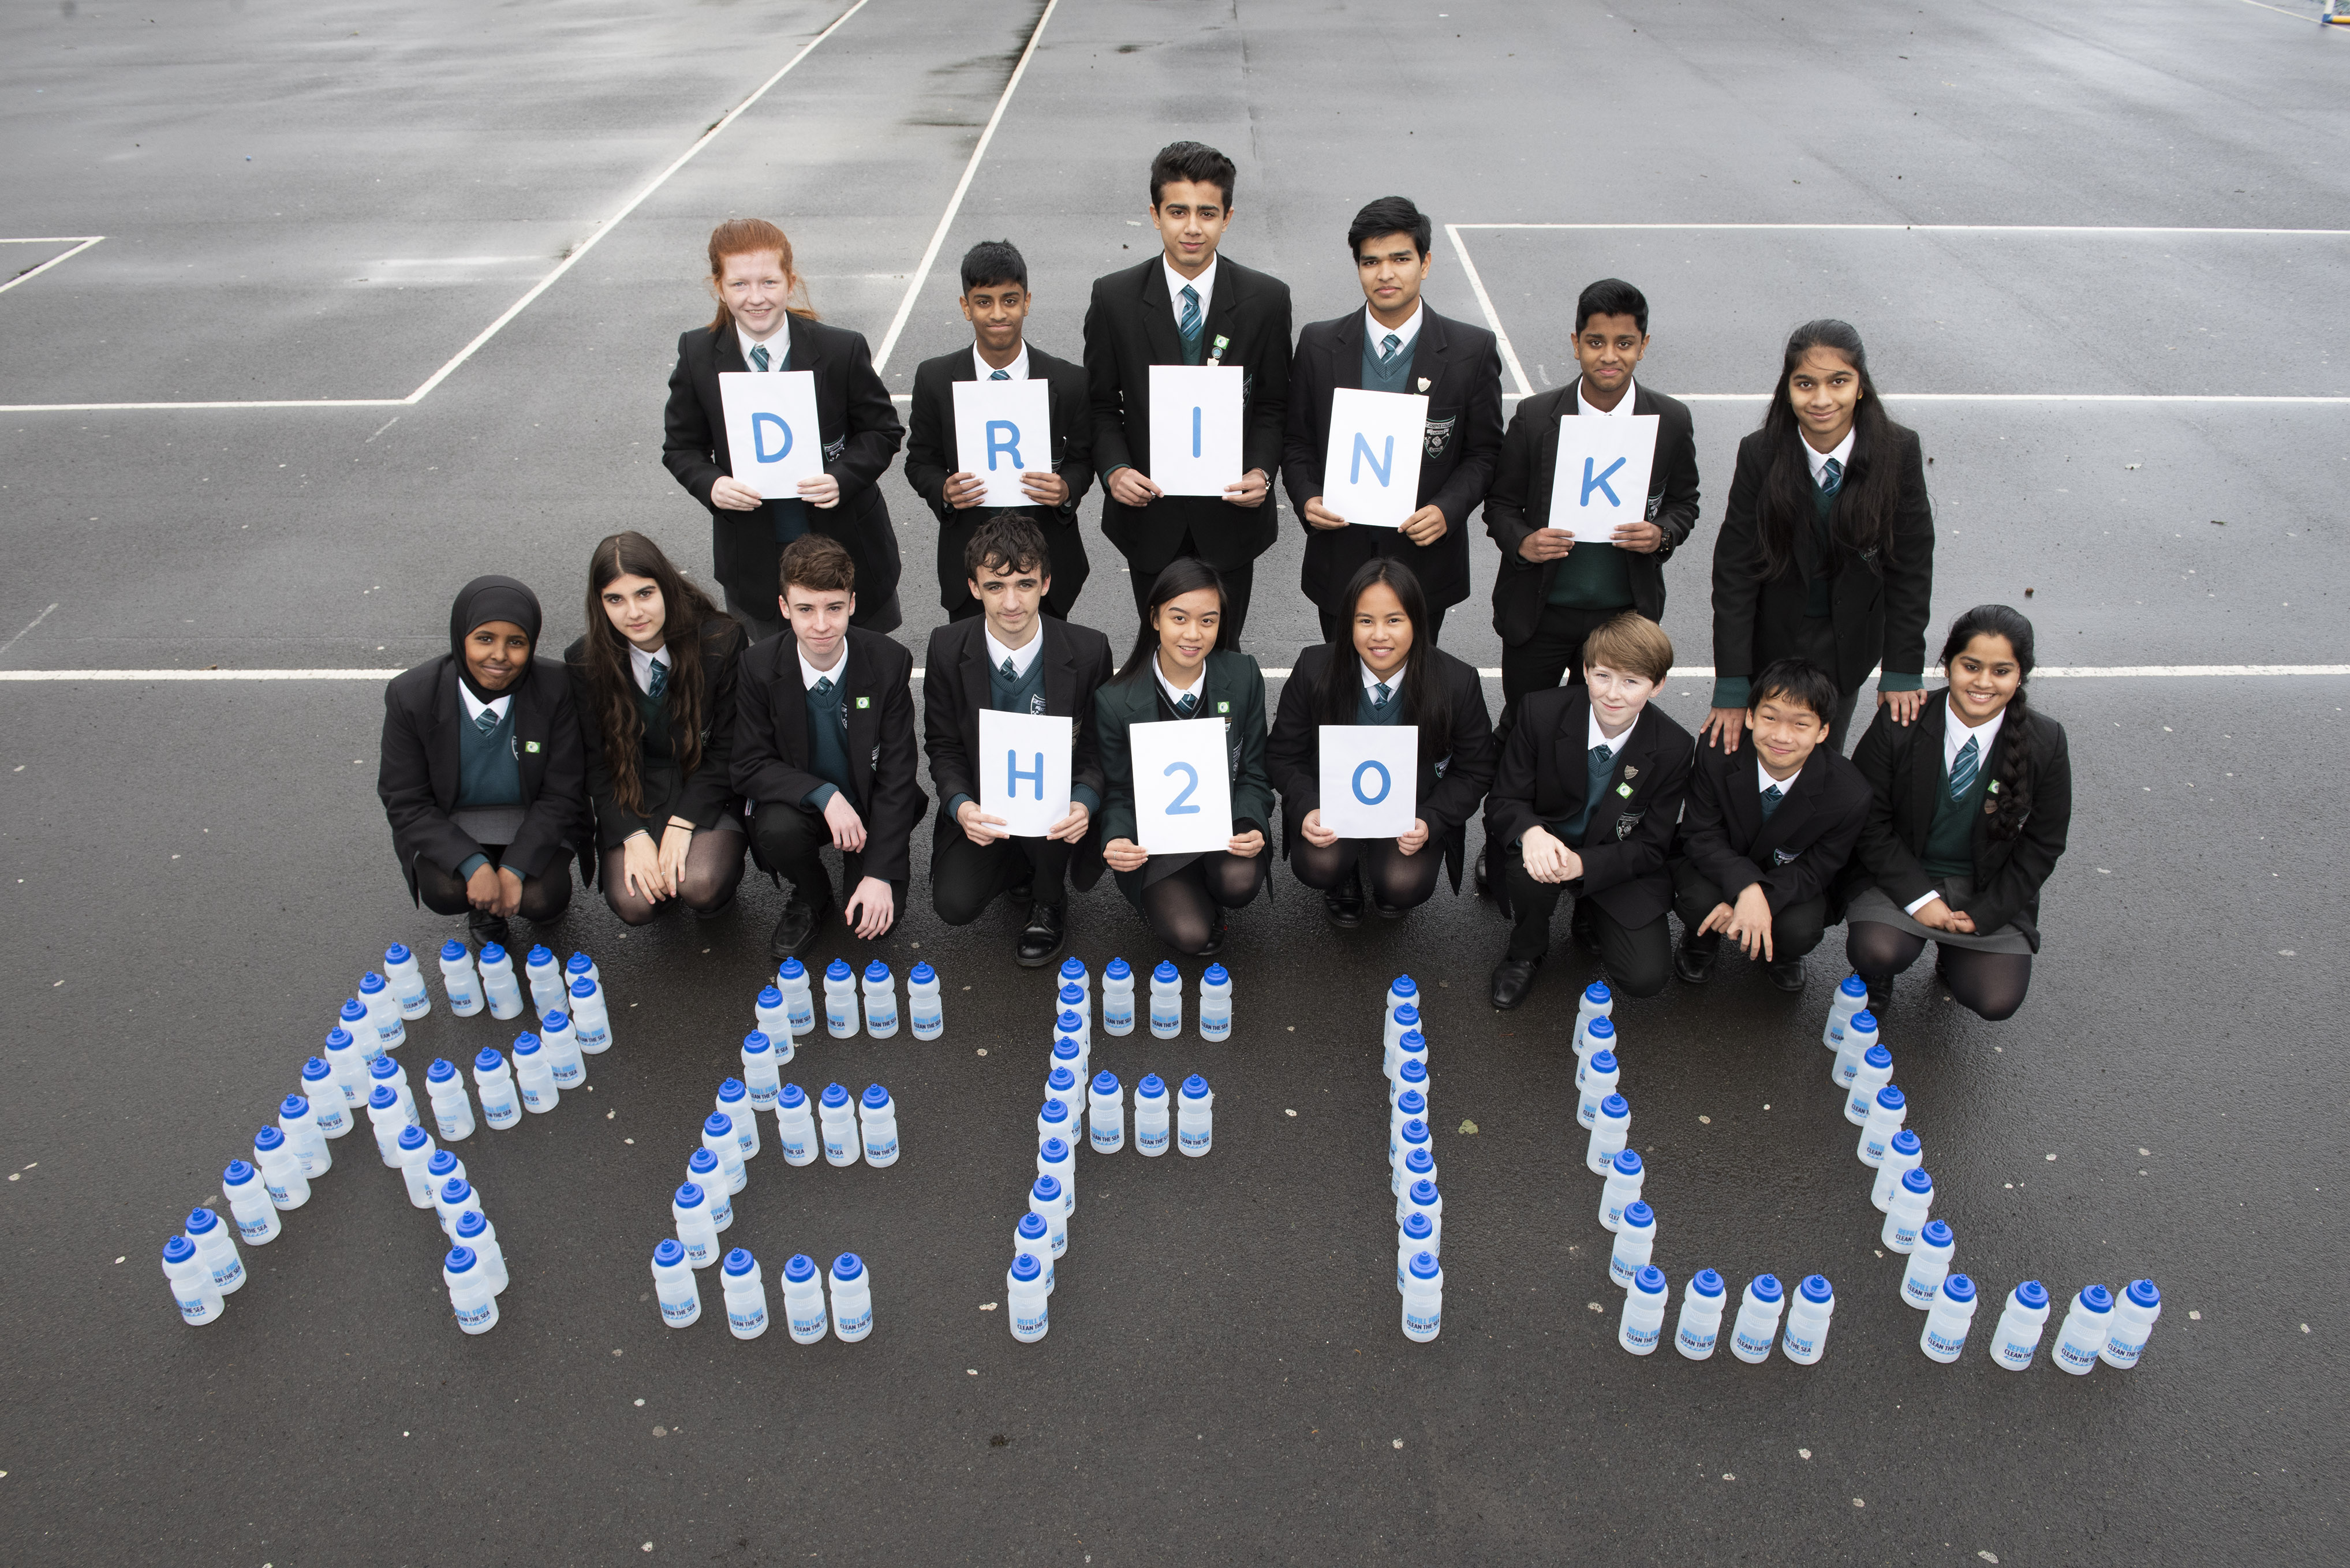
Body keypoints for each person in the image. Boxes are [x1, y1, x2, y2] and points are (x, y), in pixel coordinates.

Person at [1083, 141, 1292, 643]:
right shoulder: (1113, 298)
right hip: (1149, 519)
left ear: (1227, 217)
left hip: (1230, 520)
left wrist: (1262, 470)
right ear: (1154, 216)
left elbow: (1272, 404)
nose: (1192, 227)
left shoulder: (1266, 299)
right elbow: (1098, 404)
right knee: (1159, 651)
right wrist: (1114, 471)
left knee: (1222, 651)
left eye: (1207, 213)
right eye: (1177, 212)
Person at [663, 218, 907, 643]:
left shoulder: (839, 348)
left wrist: (841, 477)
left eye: (768, 282)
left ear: (790, 282)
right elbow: (681, 446)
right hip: (757, 560)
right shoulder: (697, 354)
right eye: (739, 284)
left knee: (868, 677)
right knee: (773, 681)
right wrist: (712, 484)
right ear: (718, 286)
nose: (755, 298)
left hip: (847, 545)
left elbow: (882, 430)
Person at [1705, 317, 1935, 757]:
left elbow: (1910, 564)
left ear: (1861, 386)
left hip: (1848, 647)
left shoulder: (1896, 450)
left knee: (1823, 759)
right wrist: (1732, 682)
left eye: (1838, 382)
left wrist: (1903, 667)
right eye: (1805, 384)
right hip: (1770, 642)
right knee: (1760, 754)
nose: (1822, 399)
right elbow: (1734, 571)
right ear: (1787, 388)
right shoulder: (1760, 453)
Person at [1484, 278, 1701, 742]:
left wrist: (1661, 533)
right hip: (1540, 614)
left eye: (1624, 343)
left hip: (1621, 616)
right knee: (1524, 727)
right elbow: (1500, 504)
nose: (1609, 356)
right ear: (1574, 343)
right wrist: (1523, 540)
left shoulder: (1670, 420)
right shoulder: (1535, 417)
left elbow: (1685, 502)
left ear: (1643, 346)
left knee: (1602, 732)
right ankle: (1515, 813)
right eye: (1595, 342)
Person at [1281, 196, 1504, 644]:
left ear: (1424, 263)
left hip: (1423, 563)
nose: (1385, 274)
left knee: (1417, 691)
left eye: (1400, 258)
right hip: (1340, 558)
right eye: (1371, 261)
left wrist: (1447, 510)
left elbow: (1483, 453)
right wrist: (1307, 498)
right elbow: (1296, 441)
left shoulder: (1470, 350)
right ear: (1358, 267)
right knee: (1341, 685)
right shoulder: (1318, 343)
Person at [1841, 605, 2071, 1021]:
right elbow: (1866, 820)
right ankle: (1878, 973)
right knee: (1877, 949)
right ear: (1947, 665)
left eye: (2001, 671)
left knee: (1996, 999)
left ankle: (1954, 952)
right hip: (1900, 876)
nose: (1983, 683)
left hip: (1986, 887)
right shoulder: (1900, 721)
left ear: (2021, 675)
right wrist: (1919, 898)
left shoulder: (2046, 740)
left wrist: (1987, 913)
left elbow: (2044, 842)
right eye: (1970, 666)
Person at [922, 515, 1115, 965]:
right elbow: (943, 744)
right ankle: (1016, 867)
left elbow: (1097, 748)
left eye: (1024, 584)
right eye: (995, 586)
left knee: (1055, 803)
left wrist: (1084, 801)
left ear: (1046, 583)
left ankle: (1048, 900)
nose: (1011, 602)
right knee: (953, 904)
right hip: (985, 805)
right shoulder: (946, 648)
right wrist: (961, 806)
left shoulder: (1088, 651)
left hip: (1055, 808)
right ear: (973, 587)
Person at [1266, 559, 1498, 926]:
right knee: (1319, 864)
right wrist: (1308, 806)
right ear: (1348, 623)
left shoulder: (1457, 681)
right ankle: (1344, 873)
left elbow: (1476, 768)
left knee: (1402, 883)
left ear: (1417, 622)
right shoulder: (1314, 667)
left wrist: (1432, 819)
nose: (1379, 635)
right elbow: (1283, 752)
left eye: (1394, 620)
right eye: (1365, 621)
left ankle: (1385, 872)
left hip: (1412, 810)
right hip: (1334, 804)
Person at [1482, 612, 1691, 1011]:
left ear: (1658, 684)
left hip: (1612, 859)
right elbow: (1503, 800)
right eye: (1603, 675)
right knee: (1529, 871)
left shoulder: (1673, 747)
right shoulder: (1539, 712)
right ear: (1585, 670)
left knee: (1645, 976)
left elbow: (1650, 846)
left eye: (1632, 681)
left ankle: (1590, 908)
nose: (1613, 693)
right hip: (1549, 844)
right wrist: (1532, 833)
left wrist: (1583, 866)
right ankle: (1524, 951)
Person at [731, 535, 925, 958]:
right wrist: (825, 794)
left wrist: (878, 872)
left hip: (870, 804)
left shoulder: (889, 662)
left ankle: (865, 865)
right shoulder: (758, 666)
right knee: (775, 828)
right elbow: (748, 764)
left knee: (873, 924)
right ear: (784, 608)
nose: (820, 625)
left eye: (833, 608)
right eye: (805, 609)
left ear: (852, 604)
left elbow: (896, 776)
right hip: (804, 807)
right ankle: (811, 893)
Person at [378, 577, 585, 948]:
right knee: (444, 890)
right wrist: (474, 866)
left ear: (532, 643)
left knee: (543, 897)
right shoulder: (411, 695)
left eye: (516, 642)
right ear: (461, 637)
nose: (500, 656)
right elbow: (405, 799)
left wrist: (514, 868)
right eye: (485, 639)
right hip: (455, 819)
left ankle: (524, 894)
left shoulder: (556, 686)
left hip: (529, 813)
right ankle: (483, 905)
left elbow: (563, 792)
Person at [563, 532, 749, 926]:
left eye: (644, 594)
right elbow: (598, 763)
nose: (633, 612)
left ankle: (715, 894)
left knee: (700, 884)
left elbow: (731, 747)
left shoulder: (720, 641)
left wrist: (683, 824)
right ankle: (663, 893)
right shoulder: (584, 661)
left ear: (666, 588)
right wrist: (631, 834)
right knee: (634, 904)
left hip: (704, 781)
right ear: (600, 604)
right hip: (637, 789)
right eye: (615, 599)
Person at [903, 239, 1094, 620]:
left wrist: (1067, 487)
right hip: (968, 561)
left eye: (1009, 300)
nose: (997, 313)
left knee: (1051, 666)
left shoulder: (1069, 380)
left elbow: (1083, 457)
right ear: (965, 306)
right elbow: (920, 459)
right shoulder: (936, 378)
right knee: (971, 667)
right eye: (984, 301)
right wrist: (942, 489)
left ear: (1026, 301)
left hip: (1047, 559)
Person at [1093, 559, 1273, 955]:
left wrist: (1249, 822)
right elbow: (1119, 790)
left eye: (1207, 621)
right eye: (1179, 618)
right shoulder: (1115, 699)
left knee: (1239, 881)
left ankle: (1206, 887)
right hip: (1155, 842)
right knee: (1192, 935)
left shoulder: (1242, 675)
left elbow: (1254, 771)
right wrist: (1117, 836)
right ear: (1155, 617)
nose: (1193, 634)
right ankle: (1180, 894)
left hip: (1220, 827)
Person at [1669, 657, 1871, 992]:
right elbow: (1701, 834)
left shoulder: (1849, 793)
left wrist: (1761, 897)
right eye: (1770, 717)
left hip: (1788, 882)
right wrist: (1745, 889)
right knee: (1698, 900)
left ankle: (1782, 952)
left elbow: (1819, 867)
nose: (1781, 736)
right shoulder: (1717, 754)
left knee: (1800, 930)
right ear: (1750, 716)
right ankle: (1700, 938)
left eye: (1801, 725)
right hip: (1719, 867)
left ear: (1823, 731)